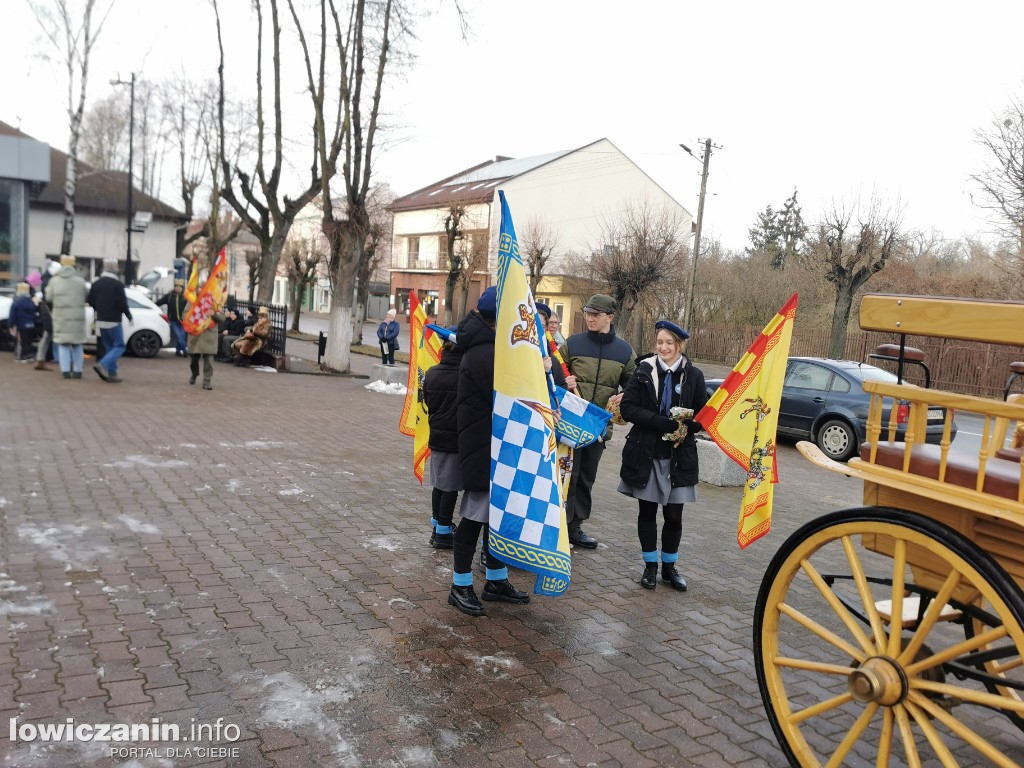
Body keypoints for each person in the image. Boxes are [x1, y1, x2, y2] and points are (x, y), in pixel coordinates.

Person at [449, 286, 530, 617]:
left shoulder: (492, 347)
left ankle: (495, 580)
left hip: (494, 446)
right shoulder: (486, 352)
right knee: (474, 517)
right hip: (485, 449)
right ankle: (460, 585)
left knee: (495, 518)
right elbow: (507, 396)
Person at [617, 320, 707, 591]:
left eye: (669, 343)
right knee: (647, 512)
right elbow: (629, 408)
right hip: (646, 453)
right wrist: (659, 422)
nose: (664, 347)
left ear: (679, 345)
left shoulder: (694, 375)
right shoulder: (644, 371)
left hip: (679, 457)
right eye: (660, 342)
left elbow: (704, 413)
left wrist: (693, 423)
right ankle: (650, 567)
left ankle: (669, 567)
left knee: (674, 516)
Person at [558, 294, 636, 549]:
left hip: (598, 428)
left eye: (596, 315)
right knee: (565, 475)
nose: (590, 318)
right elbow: (552, 377)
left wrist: (626, 396)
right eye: (588, 313)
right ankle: (558, 526)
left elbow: (633, 385)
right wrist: (563, 382)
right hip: (568, 426)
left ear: (609, 318)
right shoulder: (572, 344)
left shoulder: (624, 351)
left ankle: (576, 527)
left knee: (586, 477)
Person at [422, 326, 462, 549]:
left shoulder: (432, 372)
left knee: (439, 484)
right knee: (450, 486)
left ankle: (437, 527)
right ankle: (444, 533)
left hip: (436, 436)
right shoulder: (464, 375)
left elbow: (427, 401)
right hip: (455, 438)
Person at [87, 258, 132, 383]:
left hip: (100, 319)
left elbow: (90, 300)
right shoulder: (117, 285)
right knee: (119, 346)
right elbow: (122, 303)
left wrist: (99, 308)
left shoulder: (96, 283)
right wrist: (128, 315)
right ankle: (102, 364)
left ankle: (112, 374)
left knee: (109, 347)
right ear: (115, 270)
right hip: (114, 320)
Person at [45, 254, 88, 379]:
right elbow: (86, 295)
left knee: (63, 344)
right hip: (77, 317)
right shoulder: (80, 281)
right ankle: (78, 370)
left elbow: (48, 298)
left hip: (61, 317)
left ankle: (65, 371)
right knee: (77, 344)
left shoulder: (55, 281)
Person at [187, 308, 226, 390]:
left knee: (209, 359)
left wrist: (213, 314)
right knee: (194, 358)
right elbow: (185, 313)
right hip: (196, 334)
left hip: (210, 335)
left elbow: (222, 317)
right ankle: (195, 373)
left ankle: (207, 381)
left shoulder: (216, 302)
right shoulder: (194, 299)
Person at [155, 279, 189, 357]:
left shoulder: (186, 296)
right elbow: (159, 302)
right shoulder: (169, 296)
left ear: (182, 288)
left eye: (179, 287)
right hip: (173, 320)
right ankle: (184, 351)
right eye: (176, 286)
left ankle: (178, 351)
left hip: (183, 321)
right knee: (179, 336)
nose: (178, 288)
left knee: (181, 336)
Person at [8, 282, 36, 362]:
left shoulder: (16, 302)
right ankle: (30, 355)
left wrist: (11, 325)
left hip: (21, 325)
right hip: (31, 324)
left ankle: (23, 356)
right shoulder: (31, 301)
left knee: (22, 341)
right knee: (28, 341)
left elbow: (12, 315)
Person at [32, 291, 53, 371]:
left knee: (45, 339)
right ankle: (40, 360)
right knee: (47, 339)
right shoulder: (47, 302)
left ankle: (40, 360)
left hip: (46, 321)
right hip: (50, 320)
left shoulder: (41, 300)